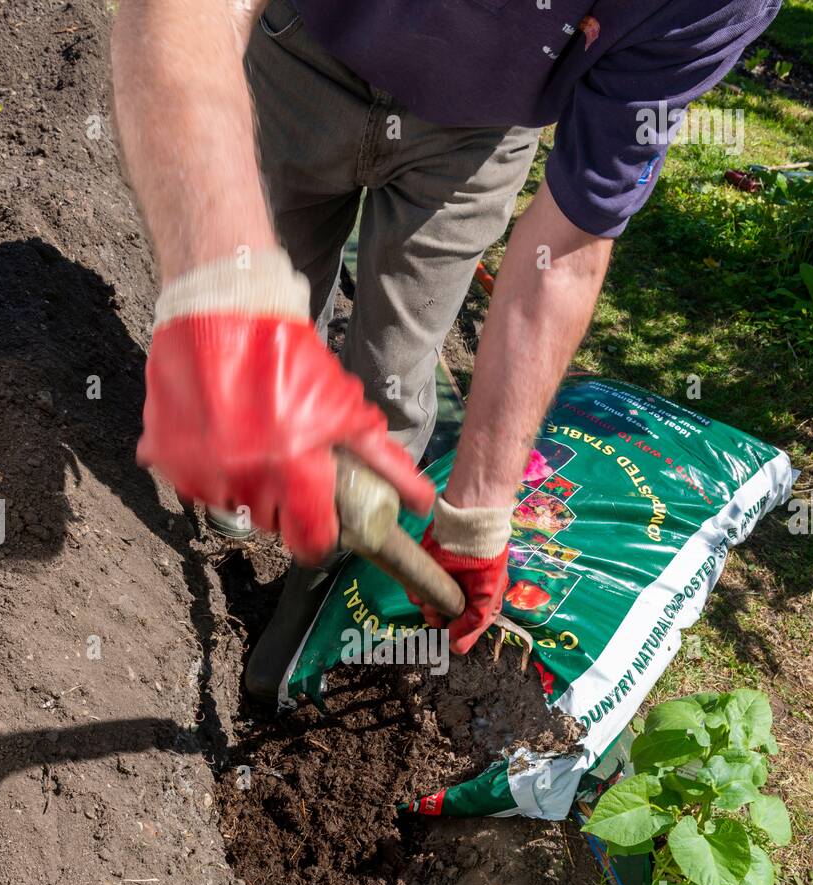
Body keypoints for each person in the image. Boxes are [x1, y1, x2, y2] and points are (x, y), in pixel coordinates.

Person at [111, 0, 779, 693]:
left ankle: (313, 584)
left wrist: (476, 517)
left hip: (477, 138)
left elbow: (571, 244)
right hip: (300, 57)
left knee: (393, 377)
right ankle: (239, 507)